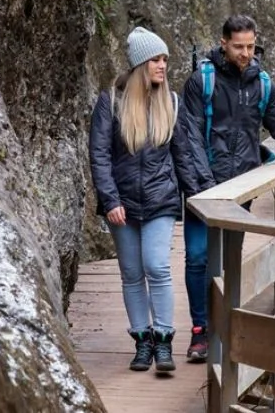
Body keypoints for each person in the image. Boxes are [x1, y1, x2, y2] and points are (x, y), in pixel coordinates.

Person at [179, 14, 275, 362]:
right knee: (198, 257)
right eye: (238, 46)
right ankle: (200, 331)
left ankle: (224, 326)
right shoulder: (202, 82)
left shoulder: (262, 83)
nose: (245, 53)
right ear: (223, 43)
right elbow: (188, 137)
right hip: (204, 188)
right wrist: (206, 190)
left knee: (229, 259)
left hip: (242, 187)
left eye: (250, 46)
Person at [89, 27, 213, 373]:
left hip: (161, 200)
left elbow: (183, 155)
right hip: (122, 203)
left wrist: (199, 199)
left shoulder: (170, 102)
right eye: (157, 60)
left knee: (156, 266)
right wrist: (110, 199)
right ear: (141, 63)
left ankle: (163, 340)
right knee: (131, 273)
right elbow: (99, 155)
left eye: (165, 60)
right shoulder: (111, 102)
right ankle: (142, 341)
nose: (163, 66)